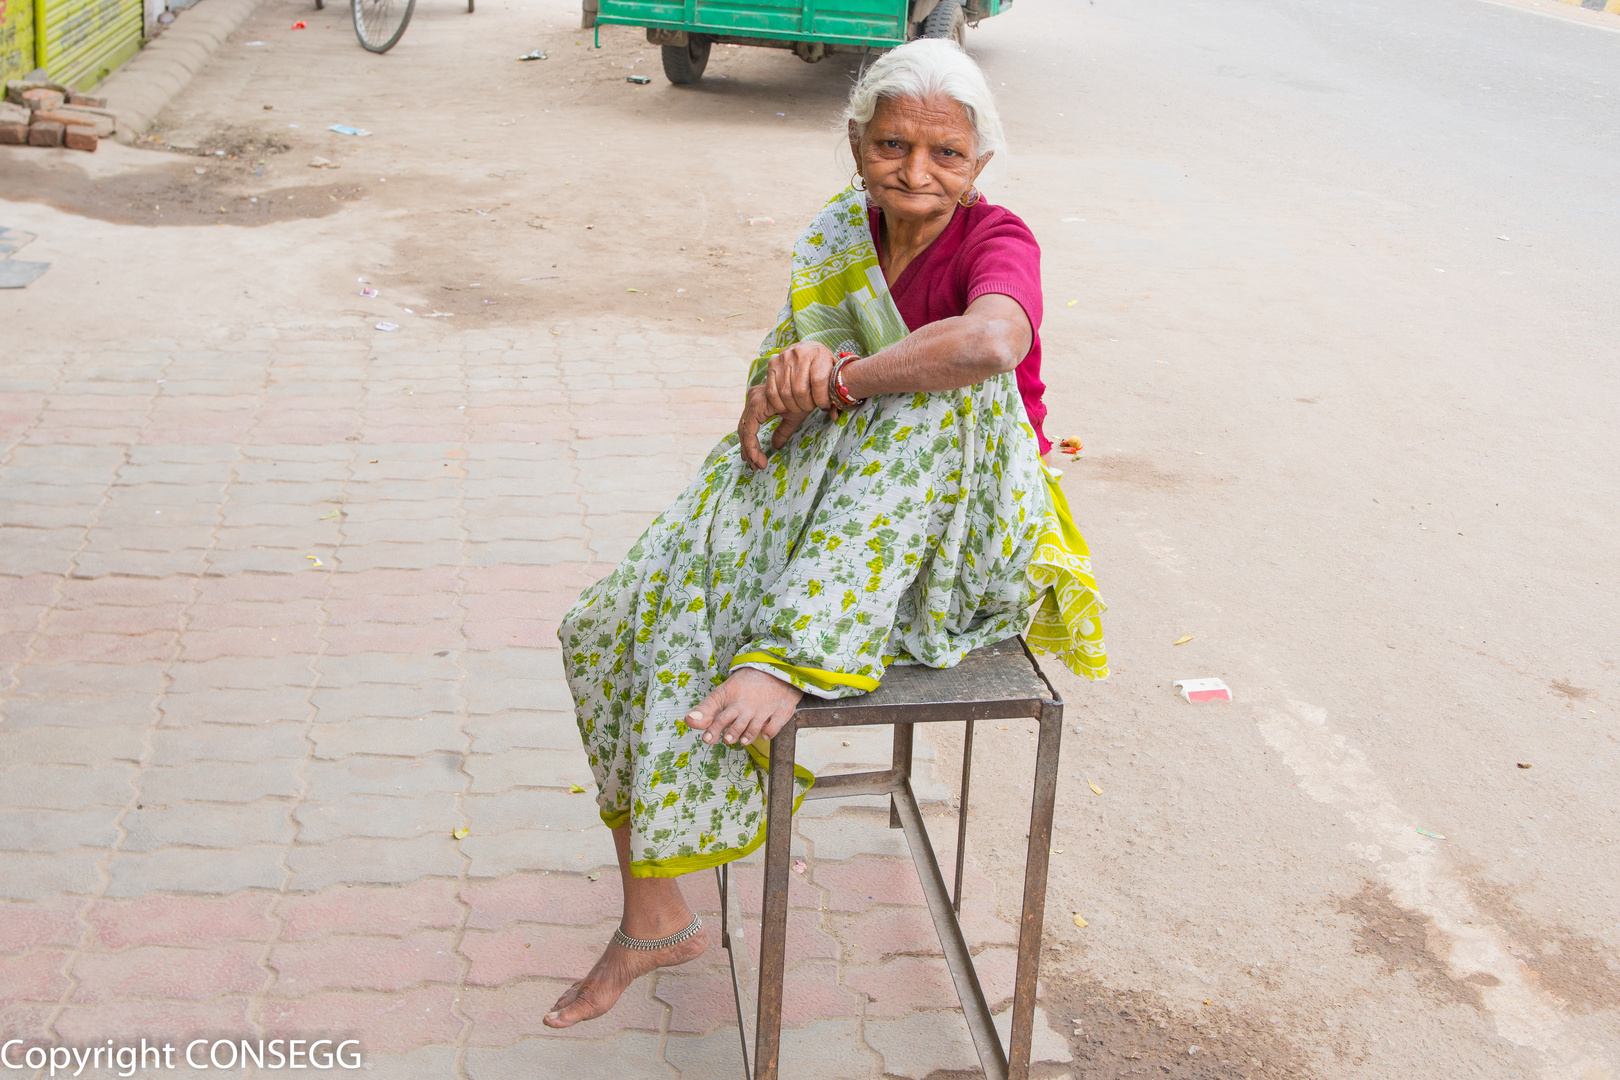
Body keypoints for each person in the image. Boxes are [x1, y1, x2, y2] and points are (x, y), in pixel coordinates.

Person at [546, 37, 1107, 1028]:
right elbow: (775, 386)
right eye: (893, 145)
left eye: (945, 155)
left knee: (945, 390)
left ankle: (794, 654)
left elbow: (987, 343)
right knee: (618, 615)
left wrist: (843, 377)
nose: (915, 172)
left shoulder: (996, 237)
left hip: (966, 538)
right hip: (852, 513)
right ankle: (654, 917)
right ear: (857, 145)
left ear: (980, 166)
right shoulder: (844, 232)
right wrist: (794, 372)